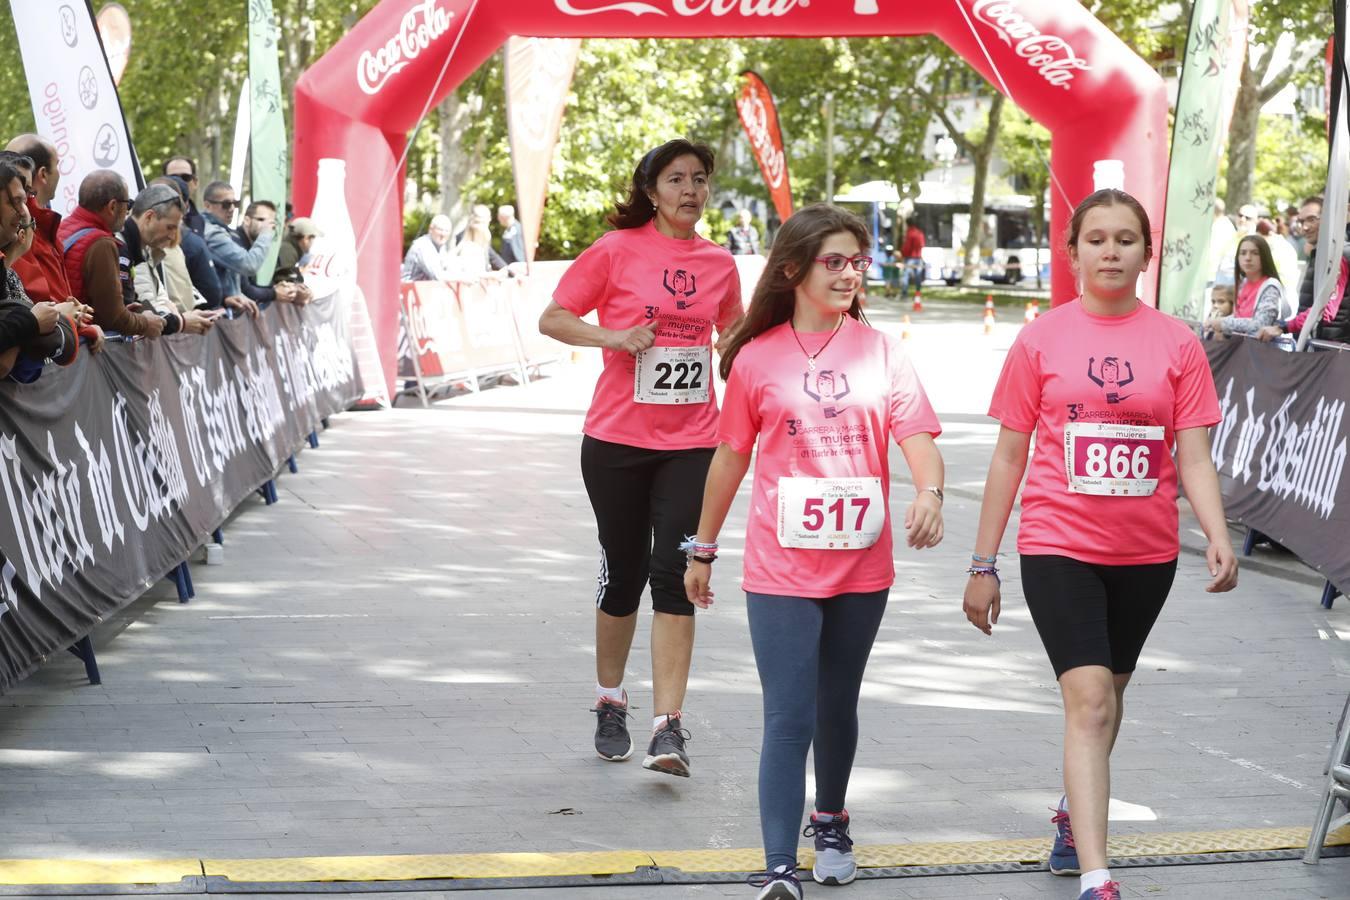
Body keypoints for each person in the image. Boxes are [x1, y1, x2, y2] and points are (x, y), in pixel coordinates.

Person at [962, 189, 1238, 900]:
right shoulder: (1041, 339)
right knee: (1087, 700)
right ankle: (1096, 875)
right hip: (1058, 543)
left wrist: (1215, 533)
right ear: (1074, 251)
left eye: (1125, 239)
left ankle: (1069, 818)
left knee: (1108, 698)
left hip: (1145, 554)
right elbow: (1008, 458)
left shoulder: (1177, 343)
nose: (1111, 251)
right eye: (1096, 240)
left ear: (1148, 252)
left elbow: (1195, 455)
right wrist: (983, 563)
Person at [683, 204, 944, 899]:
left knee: (837, 702)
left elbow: (917, 437)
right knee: (789, 712)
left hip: (862, 563)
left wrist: (930, 493)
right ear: (793, 269)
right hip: (781, 567)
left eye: (858, 261)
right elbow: (730, 458)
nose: (850, 273)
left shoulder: (883, 351)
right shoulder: (757, 358)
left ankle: (830, 819)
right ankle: (777, 866)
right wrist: (701, 549)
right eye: (835, 261)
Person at [537, 139, 742, 779]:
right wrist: (613, 336)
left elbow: (733, 339)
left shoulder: (719, 264)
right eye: (676, 179)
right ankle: (609, 700)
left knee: (677, 573)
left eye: (700, 180)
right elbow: (554, 317)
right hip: (617, 442)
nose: (690, 190)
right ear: (651, 191)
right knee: (622, 572)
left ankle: (669, 727)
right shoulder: (615, 250)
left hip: (692, 442)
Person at [57, 171, 168, 338]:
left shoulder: (63, 227)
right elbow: (113, 318)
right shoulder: (101, 243)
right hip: (82, 349)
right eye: (128, 204)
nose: (128, 211)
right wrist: (146, 323)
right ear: (113, 206)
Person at [121, 184, 216, 334]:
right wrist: (180, 322)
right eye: (170, 227)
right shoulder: (123, 246)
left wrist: (176, 317)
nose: (173, 236)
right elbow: (145, 309)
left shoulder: (144, 247)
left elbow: (160, 298)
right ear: (149, 217)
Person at [1256, 195, 1350, 345]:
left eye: (1312, 219)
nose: (1305, 227)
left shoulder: (1338, 255)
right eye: (1301, 221)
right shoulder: (1320, 253)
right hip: (1315, 347)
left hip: (1330, 351)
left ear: (1329, 218)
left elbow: (1325, 310)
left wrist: (1284, 327)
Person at [201, 181, 266, 318]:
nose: (231, 209)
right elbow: (249, 264)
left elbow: (234, 283)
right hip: (216, 319)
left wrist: (239, 296)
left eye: (235, 203)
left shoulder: (225, 232)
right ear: (207, 205)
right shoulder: (211, 233)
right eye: (226, 204)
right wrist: (265, 233)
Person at [1206, 235, 1284, 338]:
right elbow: (1239, 316)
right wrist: (1215, 322)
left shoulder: (1270, 287)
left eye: (1255, 253)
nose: (1248, 258)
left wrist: (1223, 323)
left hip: (1257, 350)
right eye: (1243, 253)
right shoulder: (1243, 283)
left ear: (1264, 256)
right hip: (1238, 347)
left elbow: (1261, 325)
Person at [273, 217, 320, 299]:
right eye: (312, 239)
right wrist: (298, 278)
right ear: (306, 238)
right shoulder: (289, 250)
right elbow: (282, 278)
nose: (312, 243)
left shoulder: (288, 244)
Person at [162, 156, 206, 236]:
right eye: (173, 178)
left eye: (185, 177)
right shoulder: (154, 216)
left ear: (195, 182)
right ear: (163, 181)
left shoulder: (200, 220)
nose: (179, 181)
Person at [402, 214, 453, 282]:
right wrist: (462, 278)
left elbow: (449, 267)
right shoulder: (423, 246)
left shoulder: (441, 247)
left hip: (425, 289)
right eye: (440, 230)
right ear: (431, 229)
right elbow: (437, 276)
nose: (443, 234)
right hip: (409, 290)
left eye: (447, 231)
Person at [900, 219, 925, 297]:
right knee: (918, 276)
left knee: (905, 275)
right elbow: (922, 244)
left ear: (908, 224)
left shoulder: (909, 233)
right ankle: (918, 293)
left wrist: (902, 253)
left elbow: (907, 247)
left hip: (910, 258)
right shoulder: (920, 233)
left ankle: (904, 293)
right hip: (918, 257)